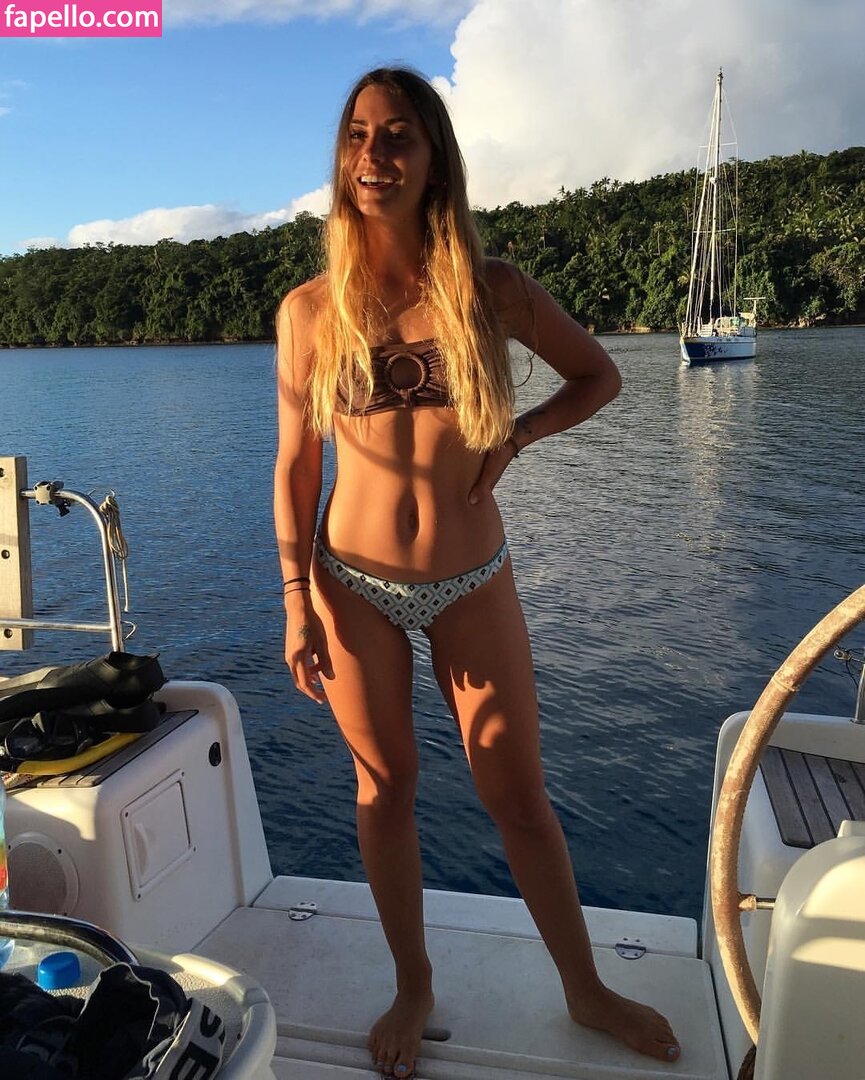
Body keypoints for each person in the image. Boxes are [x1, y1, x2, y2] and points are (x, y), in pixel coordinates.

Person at [274, 67, 680, 1078]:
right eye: (357, 134)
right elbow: (294, 468)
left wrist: (519, 435)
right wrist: (294, 600)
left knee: (518, 794)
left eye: (397, 135)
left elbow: (598, 375)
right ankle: (413, 983)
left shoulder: (488, 289)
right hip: (349, 581)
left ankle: (585, 988)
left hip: (472, 575)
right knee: (386, 787)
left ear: (433, 159)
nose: (374, 154)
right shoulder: (310, 310)